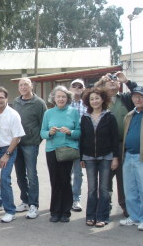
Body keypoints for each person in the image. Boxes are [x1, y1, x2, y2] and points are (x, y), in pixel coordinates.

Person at [95, 72, 137, 217]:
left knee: (123, 177)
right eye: (110, 81)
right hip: (104, 146)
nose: (113, 82)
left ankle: (125, 205)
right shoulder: (99, 99)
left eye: (115, 81)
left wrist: (127, 81)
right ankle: (106, 205)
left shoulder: (126, 98)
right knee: (105, 178)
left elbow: (138, 93)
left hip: (123, 145)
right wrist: (100, 81)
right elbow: (88, 94)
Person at [40, 86, 81, 223]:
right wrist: (49, 133)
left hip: (67, 149)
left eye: (63, 96)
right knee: (55, 181)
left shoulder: (74, 112)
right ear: (54, 98)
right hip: (52, 150)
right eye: (58, 96)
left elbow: (79, 132)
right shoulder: (48, 113)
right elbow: (42, 133)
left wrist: (70, 132)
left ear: (68, 98)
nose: (61, 99)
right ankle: (55, 211)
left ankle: (65, 211)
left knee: (65, 180)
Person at [80, 88, 119, 227]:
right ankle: (90, 216)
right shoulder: (85, 117)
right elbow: (82, 138)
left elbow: (115, 138)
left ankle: (102, 217)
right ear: (88, 102)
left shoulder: (109, 116)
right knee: (91, 188)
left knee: (104, 189)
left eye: (97, 98)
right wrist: (81, 158)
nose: (94, 101)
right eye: (91, 99)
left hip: (106, 157)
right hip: (89, 157)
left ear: (102, 99)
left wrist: (115, 157)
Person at [0, 87, 25, 223]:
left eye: (1, 97)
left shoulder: (13, 114)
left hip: (8, 149)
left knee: (4, 179)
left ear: (6, 98)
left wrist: (7, 154)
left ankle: (10, 210)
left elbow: (17, 138)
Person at [120, 86, 143, 231]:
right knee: (130, 190)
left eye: (141, 96)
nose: (137, 99)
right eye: (135, 96)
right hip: (128, 156)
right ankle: (134, 217)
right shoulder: (129, 115)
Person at [13, 78, 47, 219]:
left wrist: (37, 140)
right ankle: (25, 201)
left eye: (26, 84)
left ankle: (34, 204)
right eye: (21, 85)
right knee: (20, 174)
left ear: (31, 86)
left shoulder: (39, 103)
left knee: (32, 174)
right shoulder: (15, 102)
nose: (23, 87)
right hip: (17, 143)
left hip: (30, 144)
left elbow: (43, 123)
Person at [69, 79, 87, 212]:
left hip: (80, 142)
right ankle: (66, 197)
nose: (76, 88)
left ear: (83, 89)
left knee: (78, 173)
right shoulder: (65, 103)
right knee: (64, 172)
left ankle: (76, 199)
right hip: (65, 142)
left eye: (79, 86)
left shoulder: (87, 105)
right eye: (74, 86)